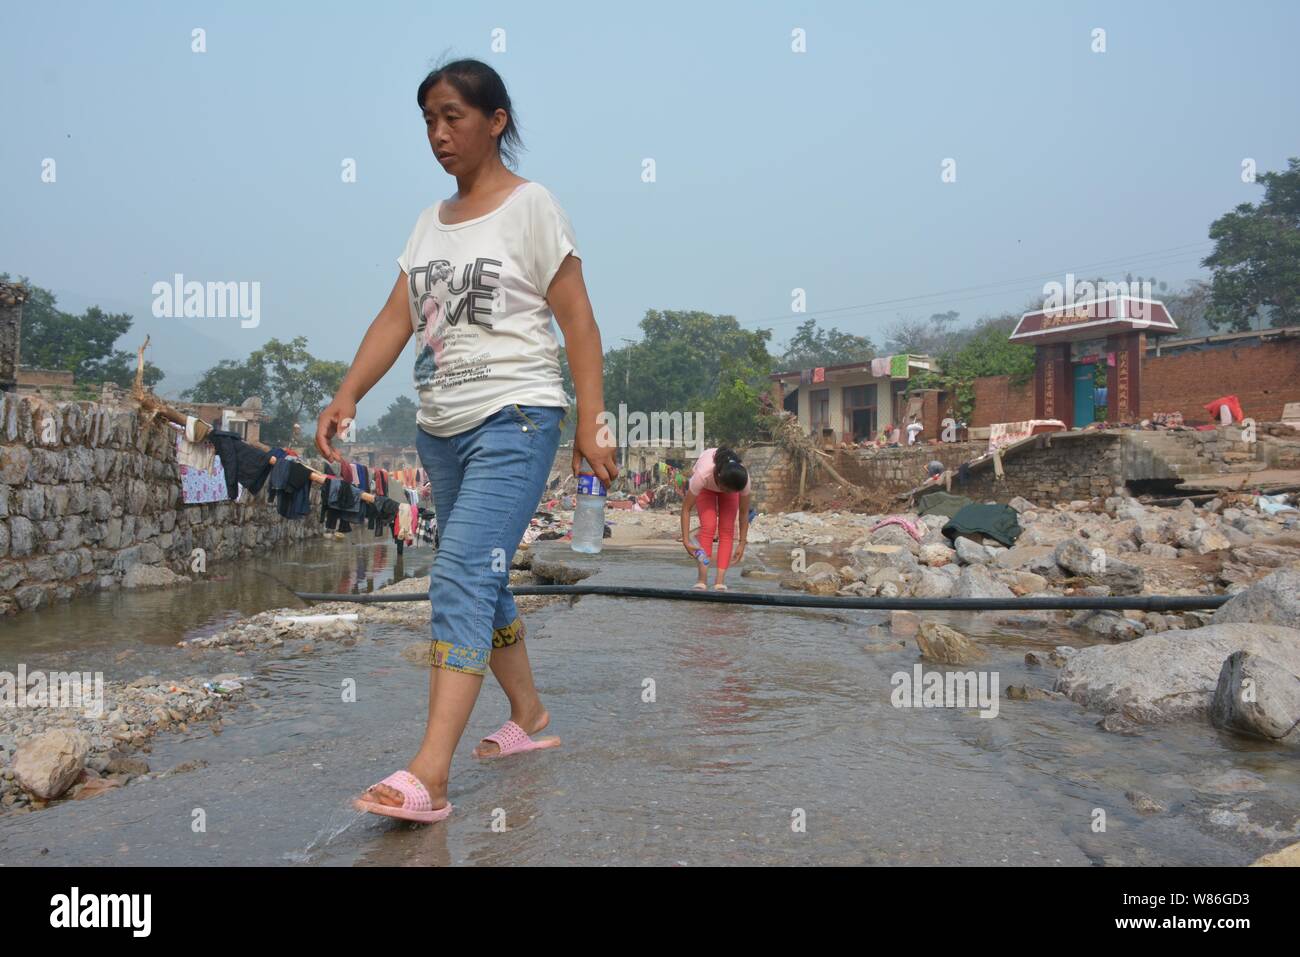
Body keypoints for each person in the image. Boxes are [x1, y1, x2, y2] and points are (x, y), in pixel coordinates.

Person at [315, 58, 617, 825]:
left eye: (452, 117)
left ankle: (431, 771)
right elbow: (397, 317)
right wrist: (348, 391)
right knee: (484, 576)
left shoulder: (532, 206)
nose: (438, 134)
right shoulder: (428, 222)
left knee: (456, 577)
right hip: (440, 429)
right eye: (427, 121)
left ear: (496, 121)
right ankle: (530, 713)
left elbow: (578, 321)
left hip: (517, 418)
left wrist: (590, 422)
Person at [680, 447, 751, 591]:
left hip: (728, 480)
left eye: (733, 491)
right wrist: (686, 541)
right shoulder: (703, 475)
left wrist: (742, 543)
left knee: (727, 529)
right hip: (706, 488)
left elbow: (743, 513)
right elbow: (686, 509)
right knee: (708, 526)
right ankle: (702, 579)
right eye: (726, 489)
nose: (728, 493)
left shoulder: (742, 480)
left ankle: (719, 581)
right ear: (718, 477)